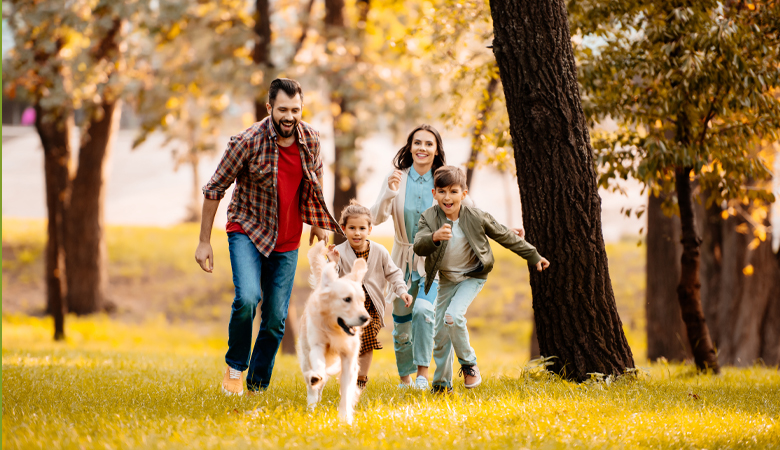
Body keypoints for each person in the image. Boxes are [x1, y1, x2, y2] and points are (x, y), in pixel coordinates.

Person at [195, 78, 342, 395]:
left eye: (295, 110)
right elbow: (214, 189)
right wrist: (204, 241)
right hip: (248, 229)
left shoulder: (312, 140)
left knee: (275, 319)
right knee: (247, 298)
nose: (289, 117)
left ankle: (257, 386)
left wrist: (318, 221)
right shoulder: (246, 141)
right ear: (269, 108)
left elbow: (316, 178)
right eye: (282, 110)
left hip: (287, 239)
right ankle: (235, 368)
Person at [413, 166, 550, 393]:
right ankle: (441, 384)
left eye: (454, 191)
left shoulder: (475, 216)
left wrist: (533, 254)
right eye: (442, 191)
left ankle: (469, 364)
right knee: (439, 334)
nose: (448, 197)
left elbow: (504, 235)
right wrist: (434, 237)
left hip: (473, 275)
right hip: (447, 279)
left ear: (464, 194)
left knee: (453, 316)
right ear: (434, 193)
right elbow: (419, 244)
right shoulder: (428, 218)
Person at [370, 124, 450, 390]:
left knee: (425, 312)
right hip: (400, 260)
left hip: (432, 262)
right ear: (410, 146)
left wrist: (506, 231)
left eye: (429, 144)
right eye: (418, 143)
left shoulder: (443, 180)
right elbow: (375, 217)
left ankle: (423, 377)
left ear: (437, 149)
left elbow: (470, 212)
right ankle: (405, 378)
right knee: (401, 326)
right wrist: (390, 192)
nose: (422, 148)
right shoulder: (397, 177)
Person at [325, 201, 413, 391]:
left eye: (362, 228)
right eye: (352, 228)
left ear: (370, 229)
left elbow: (394, 273)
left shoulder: (379, 251)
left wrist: (402, 291)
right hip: (348, 308)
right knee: (349, 342)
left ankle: (361, 380)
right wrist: (332, 263)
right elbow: (330, 281)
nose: (357, 233)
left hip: (371, 308)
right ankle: (348, 373)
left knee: (366, 341)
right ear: (343, 229)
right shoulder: (339, 252)